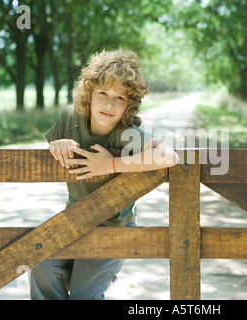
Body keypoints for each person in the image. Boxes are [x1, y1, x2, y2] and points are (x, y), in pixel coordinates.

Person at [30, 49, 178, 300]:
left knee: (83, 293)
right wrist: (56, 145)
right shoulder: (69, 117)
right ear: (88, 95)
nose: (109, 104)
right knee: (41, 266)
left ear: (129, 106)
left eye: (120, 98)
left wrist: (110, 164)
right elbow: (53, 148)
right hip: (75, 219)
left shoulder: (126, 133)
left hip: (114, 226)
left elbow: (169, 157)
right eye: (103, 93)